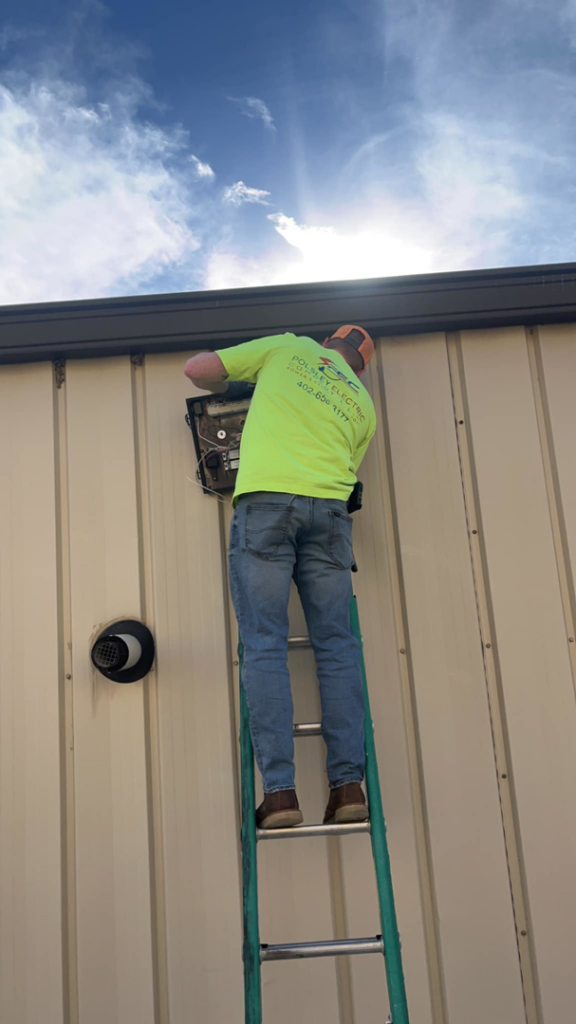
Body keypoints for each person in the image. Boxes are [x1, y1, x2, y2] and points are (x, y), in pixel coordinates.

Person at [184, 326, 377, 829]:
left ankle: (280, 797)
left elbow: (198, 370)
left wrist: (247, 384)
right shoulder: (363, 406)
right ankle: (348, 787)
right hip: (330, 516)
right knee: (337, 647)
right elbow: (346, 470)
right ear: (359, 367)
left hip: (268, 503)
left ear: (327, 342)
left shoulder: (290, 348)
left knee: (266, 644)